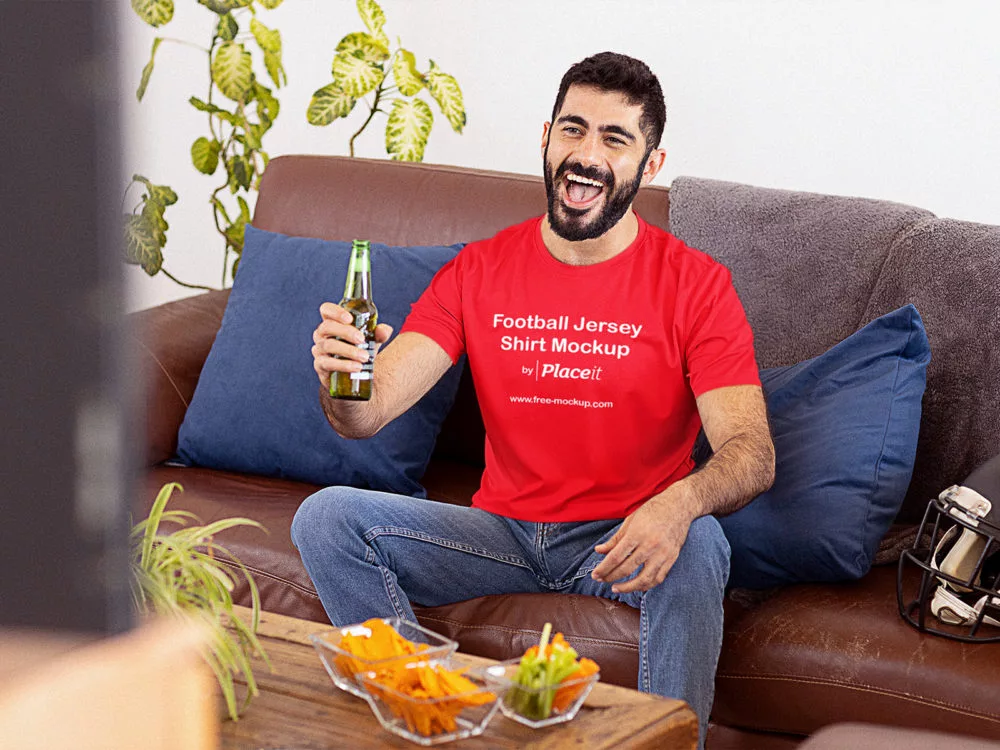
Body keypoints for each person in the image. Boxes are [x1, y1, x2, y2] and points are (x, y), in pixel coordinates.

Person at [293, 51, 775, 748]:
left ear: (652, 161)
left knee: (701, 543)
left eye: (615, 139)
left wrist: (679, 503)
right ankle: (431, 715)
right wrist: (343, 377)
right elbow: (362, 418)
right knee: (327, 519)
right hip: (503, 535)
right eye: (573, 130)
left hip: (623, 538)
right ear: (545, 136)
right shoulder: (480, 269)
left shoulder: (695, 285)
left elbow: (751, 453)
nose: (586, 155)